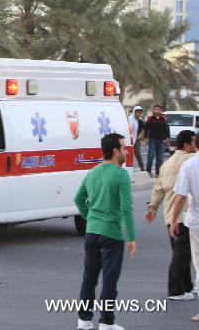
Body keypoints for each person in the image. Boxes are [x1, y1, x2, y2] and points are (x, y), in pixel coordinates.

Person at [74, 133, 136, 330]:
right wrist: (132, 238)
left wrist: (89, 218)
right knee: (109, 279)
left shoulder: (93, 172)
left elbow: (78, 198)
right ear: (116, 151)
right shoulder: (121, 175)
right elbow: (126, 209)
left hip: (92, 232)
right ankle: (106, 322)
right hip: (111, 234)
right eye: (124, 148)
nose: (126, 151)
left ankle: (84, 320)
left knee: (89, 277)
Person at [146, 130, 196, 300]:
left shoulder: (166, 165)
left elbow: (158, 189)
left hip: (170, 217)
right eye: (194, 142)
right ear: (187, 145)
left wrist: (152, 208)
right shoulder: (191, 161)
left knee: (182, 253)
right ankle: (175, 290)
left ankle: (187, 287)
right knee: (182, 255)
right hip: (184, 216)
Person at [170, 134, 199, 322]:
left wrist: (173, 220)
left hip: (197, 222)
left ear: (195, 144)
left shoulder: (189, 166)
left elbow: (180, 196)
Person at [145, 105, 170, 178]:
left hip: (161, 140)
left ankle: (157, 172)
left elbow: (167, 129)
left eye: (158, 109)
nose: (157, 111)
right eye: (155, 109)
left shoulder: (163, 119)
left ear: (160, 110)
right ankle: (149, 170)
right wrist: (145, 137)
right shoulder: (150, 119)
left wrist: (167, 138)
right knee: (151, 156)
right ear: (153, 110)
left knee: (160, 158)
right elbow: (146, 128)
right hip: (152, 140)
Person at [128, 106, 145, 171]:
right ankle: (129, 168)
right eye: (137, 112)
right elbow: (129, 128)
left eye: (140, 113)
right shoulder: (130, 119)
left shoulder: (140, 121)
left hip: (137, 140)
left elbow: (144, 130)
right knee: (129, 155)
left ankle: (142, 168)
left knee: (138, 154)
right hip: (129, 140)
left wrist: (140, 135)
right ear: (134, 112)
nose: (139, 114)